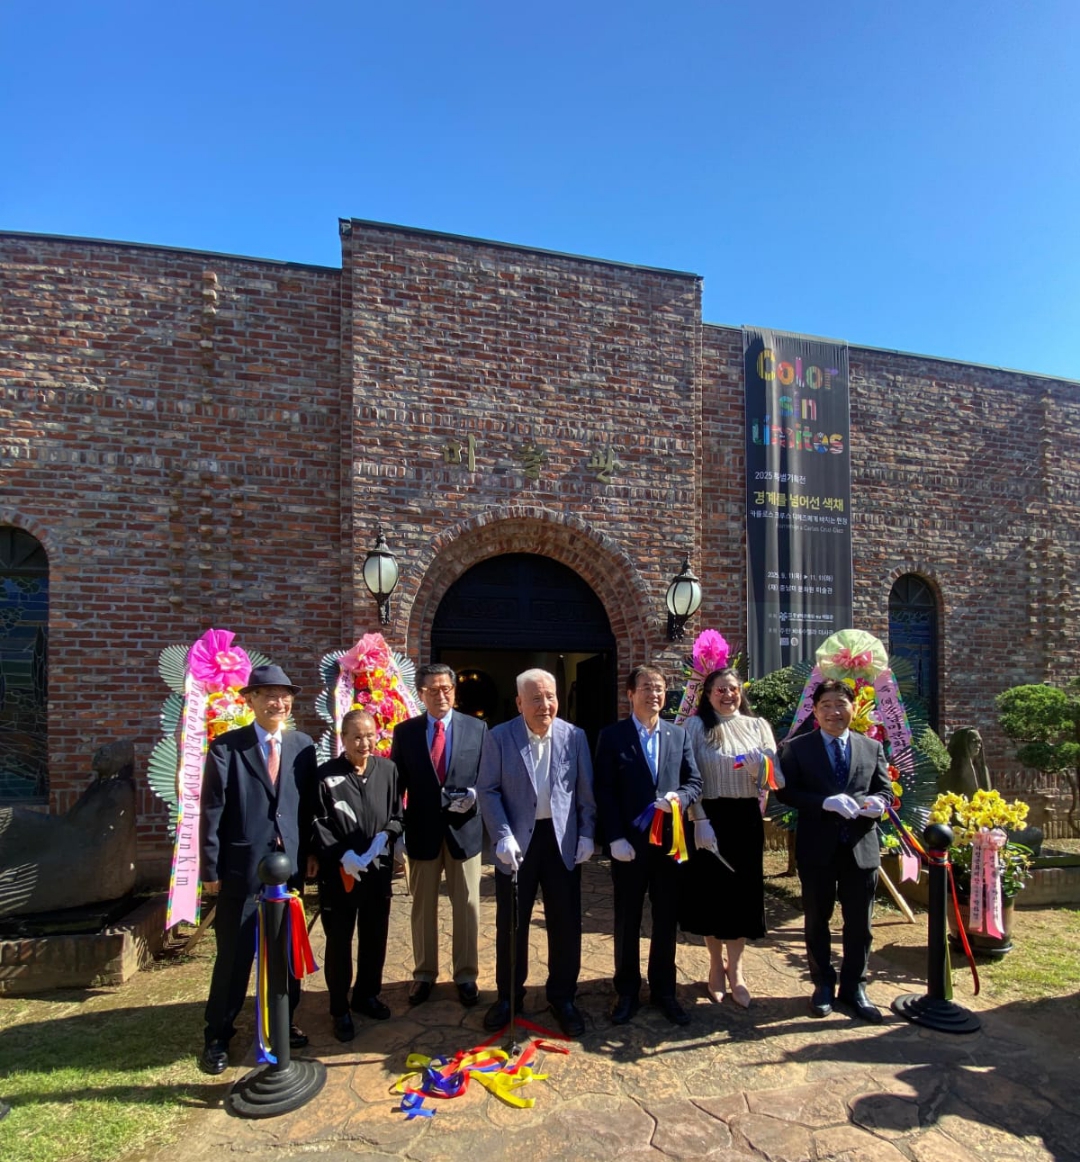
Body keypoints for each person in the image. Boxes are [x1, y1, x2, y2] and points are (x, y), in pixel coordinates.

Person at [199, 664, 318, 1075]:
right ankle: (218, 1034)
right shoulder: (227, 748)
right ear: (250, 700)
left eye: (284, 695)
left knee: (286, 953)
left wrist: (310, 854)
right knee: (234, 956)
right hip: (242, 870)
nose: (277, 702)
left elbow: (307, 807)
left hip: (288, 872)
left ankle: (283, 1023)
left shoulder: (303, 746)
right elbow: (212, 810)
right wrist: (210, 868)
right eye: (267, 694)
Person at [476, 668, 596, 1037]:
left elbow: (584, 792)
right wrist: (501, 836)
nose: (545, 705)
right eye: (536, 698)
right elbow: (488, 789)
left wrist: (588, 834)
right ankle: (509, 997)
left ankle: (563, 998)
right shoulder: (499, 737)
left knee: (565, 923)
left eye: (550, 697)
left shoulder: (574, 736)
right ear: (519, 702)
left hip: (560, 842)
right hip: (517, 843)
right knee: (511, 925)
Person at [776, 678, 892, 1023]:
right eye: (826, 705)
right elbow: (787, 794)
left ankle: (855, 986)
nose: (834, 712)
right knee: (817, 921)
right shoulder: (797, 748)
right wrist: (823, 802)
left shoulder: (870, 748)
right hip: (818, 849)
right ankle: (822, 984)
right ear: (815, 710)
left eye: (841, 704)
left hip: (861, 847)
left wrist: (879, 803)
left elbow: (885, 791)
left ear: (853, 708)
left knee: (861, 924)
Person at [594, 665, 702, 1026]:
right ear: (630, 694)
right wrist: (614, 838)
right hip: (629, 846)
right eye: (645, 688)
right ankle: (626, 991)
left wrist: (680, 798)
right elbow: (604, 792)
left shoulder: (678, 735)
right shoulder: (612, 737)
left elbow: (694, 782)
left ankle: (664, 990)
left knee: (666, 918)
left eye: (659, 688)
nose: (653, 694)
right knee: (627, 918)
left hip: (669, 845)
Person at [390, 662, 488, 1007]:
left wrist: (474, 796)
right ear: (421, 694)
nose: (441, 695)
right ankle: (424, 974)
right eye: (433, 690)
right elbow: (395, 786)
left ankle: (466, 975)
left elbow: (488, 777)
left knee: (468, 907)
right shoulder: (406, 733)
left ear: (454, 691)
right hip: (421, 832)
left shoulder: (477, 728)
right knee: (422, 908)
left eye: (446, 688)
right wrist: (396, 831)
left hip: (465, 831)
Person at [681, 667, 778, 1008]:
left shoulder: (758, 726)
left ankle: (735, 970)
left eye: (733, 689)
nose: (727, 695)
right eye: (720, 689)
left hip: (745, 819)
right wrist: (698, 819)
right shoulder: (696, 727)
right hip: (708, 817)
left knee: (741, 894)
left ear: (741, 692)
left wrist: (760, 770)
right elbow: (687, 775)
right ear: (708, 694)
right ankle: (714, 967)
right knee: (712, 894)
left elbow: (774, 778)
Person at [310, 709, 403, 1040]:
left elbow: (397, 814)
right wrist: (340, 854)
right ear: (344, 738)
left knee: (375, 936)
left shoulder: (388, 770)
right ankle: (339, 1008)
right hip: (341, 874)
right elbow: (317, 822)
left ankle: (367, 995)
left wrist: (386, 836)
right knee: (339, 941)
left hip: (377, 871)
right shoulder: (325, 776)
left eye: (370, 735)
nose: (365, 743)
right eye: (357, 737)